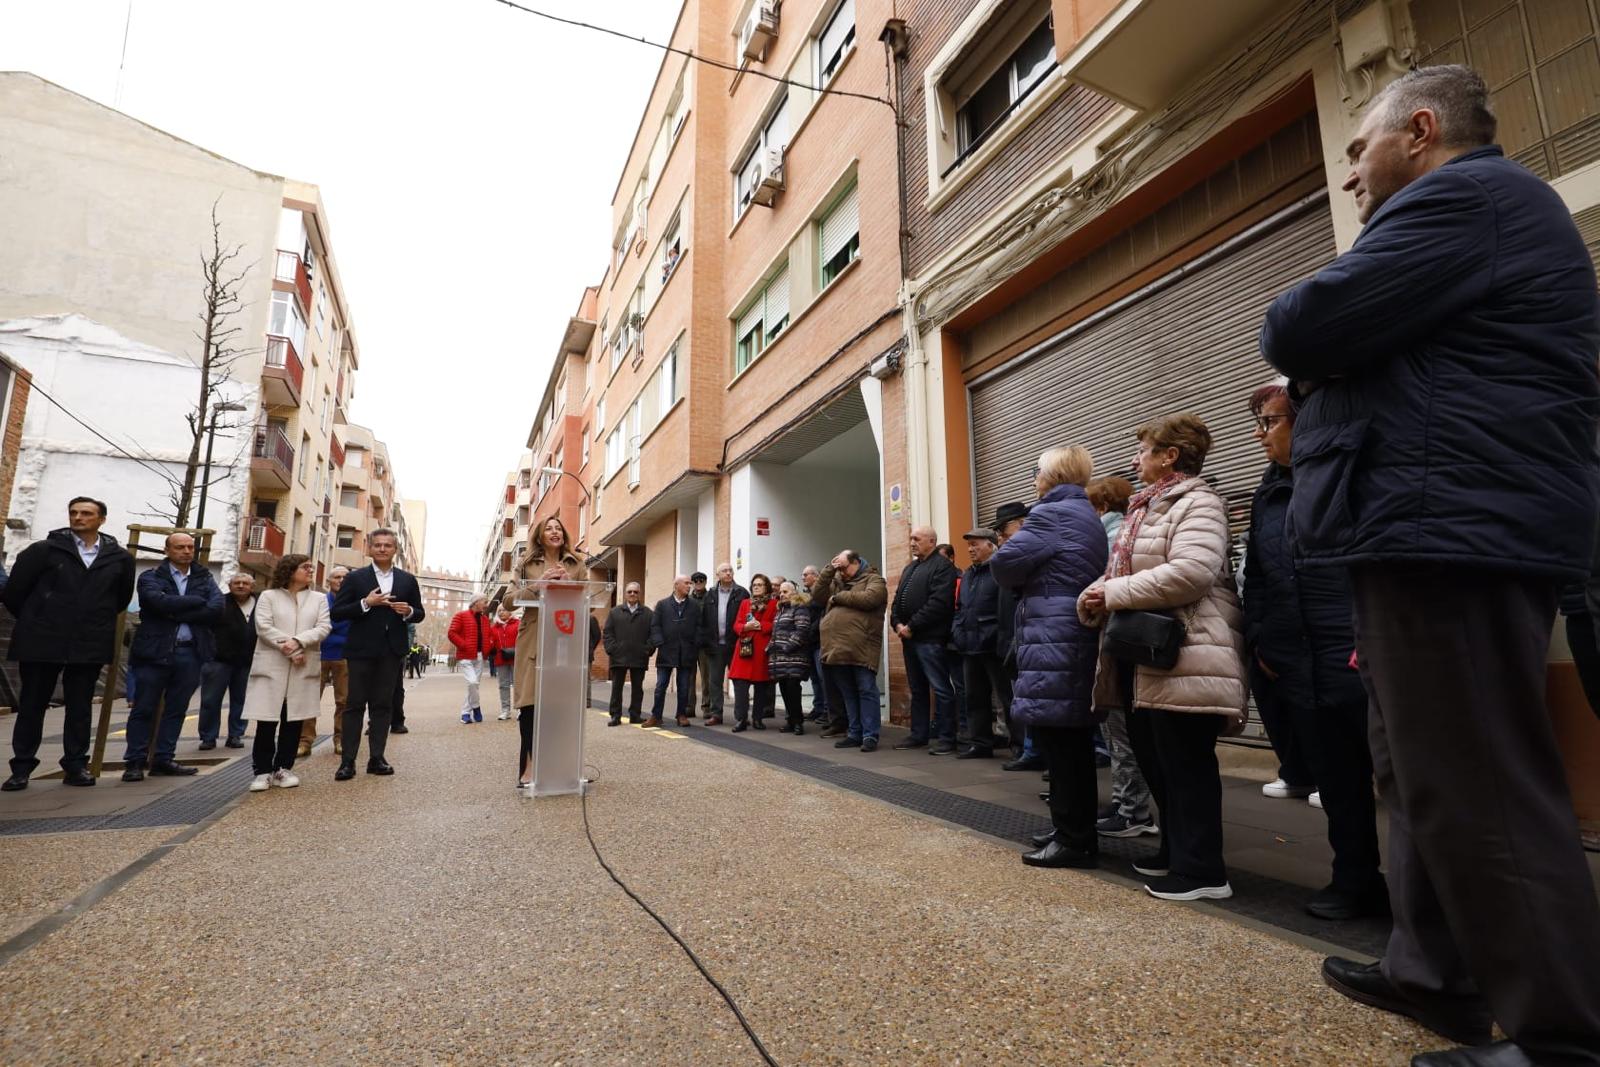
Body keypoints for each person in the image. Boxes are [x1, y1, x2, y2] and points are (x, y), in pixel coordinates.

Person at [1261, 65, 1600, 1066]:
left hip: (1450, 531)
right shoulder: (1467, 215)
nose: (1352, 172)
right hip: (1427, 526)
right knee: (1415, 770)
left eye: (1358, 149)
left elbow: (1297, 325)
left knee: (1480, 780)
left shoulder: (1469, 195)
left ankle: (1561, 1035)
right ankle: (1434, 969)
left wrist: (1326, 350)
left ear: (1419, 130)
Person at [1078, 414, 1248, 902]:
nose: (1135, 460)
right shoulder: (1146, 507)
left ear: (1170, 455)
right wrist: (1094, 595)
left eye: (1144, 450)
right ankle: (1176, 852)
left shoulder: (1197, 503)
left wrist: (1111, 593)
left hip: (1188, 653)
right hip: (1146, 656)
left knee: (1187, 764)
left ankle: (1204, 871)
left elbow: (1191, 573)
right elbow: (1120, 570)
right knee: (1158, 761)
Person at [1241, 382, 1385, 921]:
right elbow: (1257, 571)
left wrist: (1367, 637)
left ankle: (1437, 904)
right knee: (1337, 781)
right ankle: (1355, 881)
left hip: (1356, 651)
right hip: (1297, 658)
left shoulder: (1356, 468)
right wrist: (1262, 640)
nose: (1261, 435)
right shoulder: (1268, 489)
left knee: (1406, 783)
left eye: (1271, 422)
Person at [990, 448, 1108, 868]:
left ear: (1053, 474)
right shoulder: (1084, 512)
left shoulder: (1049, 514)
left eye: (1036, 469)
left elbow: (1003, 565)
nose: (1034, 476)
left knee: (1062, 743)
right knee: (1071, 740)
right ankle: (1072, 830)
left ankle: (1074, 839)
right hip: (1072, 630)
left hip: (1053, 632)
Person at [1, 497, 135, 790]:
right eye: (73, 512)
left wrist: (93, 621)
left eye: (86, 513)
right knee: (32, 705)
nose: (78, 518)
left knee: (80, 707)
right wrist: (40, 618)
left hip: (88, 642)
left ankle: (76, 766)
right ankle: (21, 767)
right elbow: (14, 593)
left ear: (101, 519)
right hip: (42, 641)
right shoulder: (43, 551)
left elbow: (119, 599)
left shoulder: (119, 559)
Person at [1084, 476, 1155, 837]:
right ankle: (1126, 802)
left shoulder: (1113, 535)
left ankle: (1133, 811)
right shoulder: (1121, 531)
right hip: (1119, 641)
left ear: (1099, 507)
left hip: (1118, 642)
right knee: (1117, 730)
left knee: (1120, 730)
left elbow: (1110, 581)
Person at [123, 532, 223, 781]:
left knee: (177, 709)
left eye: (190, 547)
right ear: (167, 550)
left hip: (190, 652)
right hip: (154, 652)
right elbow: (155, 602)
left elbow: (216, 608)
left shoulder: (204, 576)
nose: (187, 551)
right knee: (143, 708)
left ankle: (163, 758)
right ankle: (134, 761)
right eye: (180, 547)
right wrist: (194, 603)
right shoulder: (151, 576)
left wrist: (175, 608)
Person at [329, 529, 423, 781]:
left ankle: (376, 758)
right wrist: (366, 603)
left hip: (391, 651)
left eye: (388, 545)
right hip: (360, 650)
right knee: (354, 705)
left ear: (395, 550)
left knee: (382, 706)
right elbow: (337, 612)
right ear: (369, 548)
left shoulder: (407, 580)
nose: (382, 549)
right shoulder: (356, 578)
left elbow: (420, 612)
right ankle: (347, 762)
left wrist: (408, 611)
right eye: (378, 545)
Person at [506, 516, 588, 786]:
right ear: (540, 537)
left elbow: (588, 598)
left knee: (563, 707)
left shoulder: (577, 564)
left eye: (558, 528)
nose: (554, 532)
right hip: (534, 640)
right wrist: (539, 583)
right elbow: (509, 600)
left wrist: (569, 585)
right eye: (548, 529)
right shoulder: (525, 564)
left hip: (565, 640)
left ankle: (566, 768)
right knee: (531, 705)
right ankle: (528, 769)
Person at [242, 554, 330, 792]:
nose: (310, 570)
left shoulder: (319, 599)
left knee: (293, 720)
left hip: (303, 665)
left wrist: (299, 641)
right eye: (305, 567)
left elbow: (323, 627)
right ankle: (261, 771)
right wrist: (289, 648)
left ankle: (284, 768)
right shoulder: (268, 597)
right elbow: (263, 627)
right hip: (273, 664)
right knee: (267, 720)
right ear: (290, 570)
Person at [890, 526, 958, 752]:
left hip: (930, 638)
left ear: (931, 541)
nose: (911, 542)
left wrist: (912, 625)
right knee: (917, 689)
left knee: (940, 688)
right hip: (909, 639)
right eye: (910, 538)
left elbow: (939, 603)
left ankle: (947, 738)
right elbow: (898, 600)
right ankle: (918, 734)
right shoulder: (910, 568)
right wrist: (897, 623)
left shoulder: (942, 567)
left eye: (916, 539)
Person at [814, 550, 888, 752]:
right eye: (840, 568)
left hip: (862, 647)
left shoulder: (874, 579)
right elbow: (818, 595)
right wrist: (830, 569)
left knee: (866, 690)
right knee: (848, 693)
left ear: (856, 562)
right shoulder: (837, 579)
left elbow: (870, 599)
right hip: (838, 648)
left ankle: (870, 735)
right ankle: (854, 733)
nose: (842, 572)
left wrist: (840, 597)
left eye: (844, 567)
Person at [990, 502, 1041, 772]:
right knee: (1018, 698)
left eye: (1003, 528)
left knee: (1033, 697)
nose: (999, 536)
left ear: (1022, 524)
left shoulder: (1029, 551)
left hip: (1030, 634)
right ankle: (1026, 747)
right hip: (1011, 635)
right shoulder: (1009, 555)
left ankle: (1033, 749)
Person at [950, 528, 1006, 759]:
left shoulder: (1000, 571)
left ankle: (1020, 746)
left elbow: (1005, 609)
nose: (971, 549)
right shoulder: (969, 574)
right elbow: (960, 609)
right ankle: (981, 743)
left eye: (976, 544)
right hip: (970, 645)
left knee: (1006, 698)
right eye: (969, 546)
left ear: (991, 545)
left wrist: (996, 634)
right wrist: (958, 633)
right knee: (974, 698)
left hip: (993, 645)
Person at [198, 572, 255, 751]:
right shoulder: (219, 603)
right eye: (236, 583)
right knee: (210, 700)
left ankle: (235, 735)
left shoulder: (260, 604)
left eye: (245, 583)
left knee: (242, 700)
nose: (240, 586)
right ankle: (208, 737)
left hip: (247, 662)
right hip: (218, 661)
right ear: (229, 586)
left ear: (252, 587)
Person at [645, 574, 701, 728]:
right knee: (661, 685)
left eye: (690, 583)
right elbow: (655, 626)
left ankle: (681, 715)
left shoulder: (695, 606)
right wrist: (659, 642)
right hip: (666, 650)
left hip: (686, 652)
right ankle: (656, 716)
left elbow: (699, 627)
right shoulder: (662, 605)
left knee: (683, 686)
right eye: (686, 583)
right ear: (676, 585)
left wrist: (694, 644)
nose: (689, 586)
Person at [728, 573, 778, 733]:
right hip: (744, 650)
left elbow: (775, 624)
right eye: (754, 585)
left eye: (760, 584)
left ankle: (757, 718)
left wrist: (760, 625)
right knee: (740, 687)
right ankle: (741, 719)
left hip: (761, 652)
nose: (756, 587)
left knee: (761, 687)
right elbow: (736, 624)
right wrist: (745, 627)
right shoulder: (745, 603)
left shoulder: (773, 604)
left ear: (767, 587)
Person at [699, 563, 748, 726]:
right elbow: (703, 620)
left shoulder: (742, 593)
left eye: (730, 570)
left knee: (739, 682)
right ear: (717, 575)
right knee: (715, 681)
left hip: (735, 645)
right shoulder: (710, 595)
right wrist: (705, 642)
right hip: (714, 645)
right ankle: (716, 714)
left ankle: (741, 716)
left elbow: (748, 616)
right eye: (724, 571)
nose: (728, 573)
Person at [312, 566, 351, 756]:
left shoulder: (354, 601)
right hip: (318, 654)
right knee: (310, 699)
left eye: (345, 577)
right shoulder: (319, 601)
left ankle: (340, 740)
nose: (341, 580)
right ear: (329, 581)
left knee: (343, 701)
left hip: (344, 656)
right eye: (337, 577)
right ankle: (304, 740)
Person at [768, 579, 814, 734]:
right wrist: (770, 648)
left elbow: (802, 630)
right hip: (780, 659)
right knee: (785, 689)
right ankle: (791, 720)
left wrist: (787, 647)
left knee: (793, 689)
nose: (781, 594)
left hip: (794, 657)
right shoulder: (781, 610)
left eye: (785, 591)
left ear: (794, 593)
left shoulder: (799, 608)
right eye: (780, 592)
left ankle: (798, 722)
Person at [603, 582, 652, 726]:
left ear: (639, 594)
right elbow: (607, 633)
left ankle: (635, 715)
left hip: (639, 657)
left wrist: (647, 650)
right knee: (616, 688)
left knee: (638, 689)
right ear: (625, 594)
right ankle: (615, 716)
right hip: (619, 656)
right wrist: (612, 649)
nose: (632, 594)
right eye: (629, 592)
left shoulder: (648, 613)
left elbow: (653, 634)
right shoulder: (614, 612)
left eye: (635, 592)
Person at [447, 595, 497, 725]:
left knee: (474, 686)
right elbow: (452, 633)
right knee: (472, 682)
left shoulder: (485, 619)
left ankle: (465, 713)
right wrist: (464, 645)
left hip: (480, 656)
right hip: (465, 656)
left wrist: (490, 645)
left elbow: (490, 635)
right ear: (476, 602)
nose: (486, 605)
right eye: (484, 602)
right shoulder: (461, 615)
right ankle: (476, 707)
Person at [799, 565, 829, 724]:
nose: (803, 577)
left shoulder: (821, 595)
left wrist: (810, 630)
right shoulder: (805, 595)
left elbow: (823, 615)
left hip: (819, 641)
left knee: (823, 677)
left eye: (806, 574)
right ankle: (818, 708)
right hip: (809, 642)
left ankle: (826, 710)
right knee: (815, 678)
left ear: (816, 576)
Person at [492, 605, 518, 720]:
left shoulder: (518, 623)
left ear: (510, 611)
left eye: (504, 610)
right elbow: (491, 643)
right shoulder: (494, 627)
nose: (501, 612)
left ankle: (520, 709)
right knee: (503, 685)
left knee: (518, 685)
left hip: (516, 658)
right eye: (499, 611)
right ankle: (505, 710)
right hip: (500, 659)